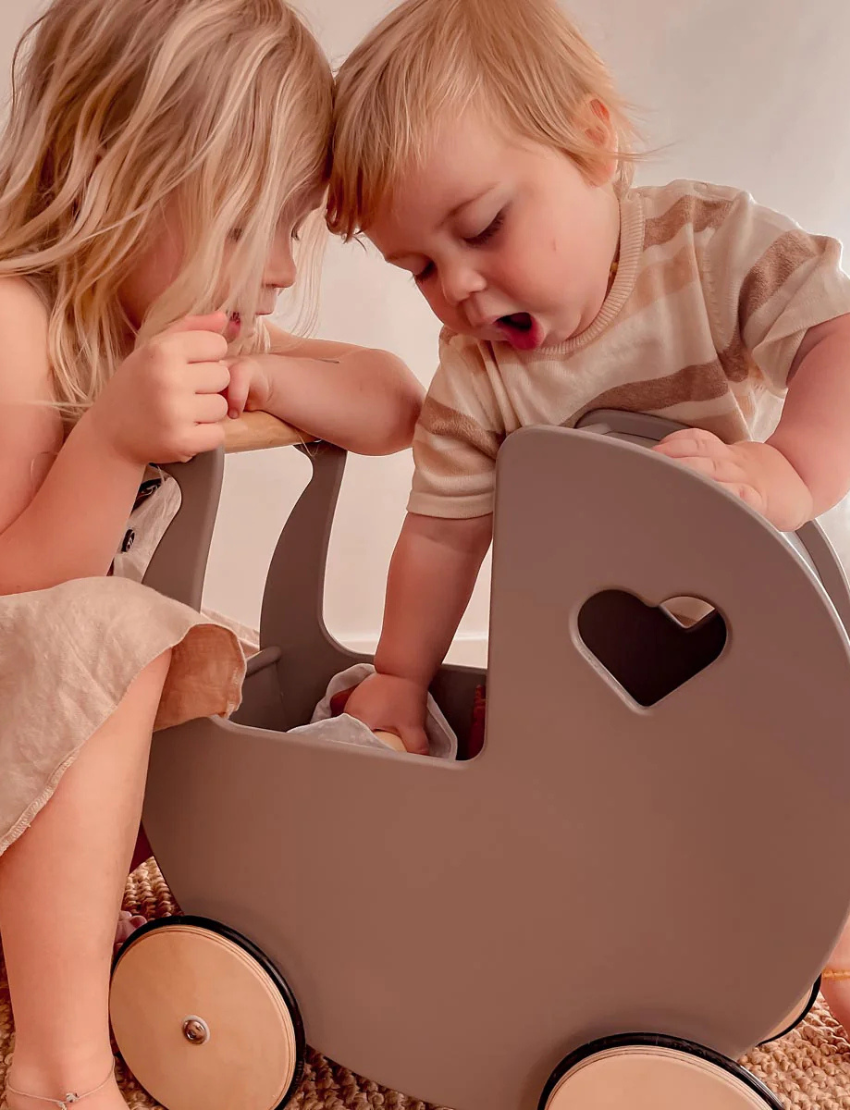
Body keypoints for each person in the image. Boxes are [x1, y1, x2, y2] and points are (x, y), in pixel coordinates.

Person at [326, 0, 850, 1030]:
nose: (461, 289)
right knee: (520, 807)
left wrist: (786, 467)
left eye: (480, 229)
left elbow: (834, 334)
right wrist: (398, 676)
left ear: (593, 139)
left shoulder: (707, 248)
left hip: (737, 652)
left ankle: (828, 951)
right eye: (420, 268)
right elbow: (439, 534)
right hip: (565, 680)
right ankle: (557, 954)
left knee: (804, 810)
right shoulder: (475, 377)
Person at [0, 1, 422, 1107]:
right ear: (117, 173)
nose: (283, 268)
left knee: (198, 667)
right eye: (254, 225)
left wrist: (272, 375)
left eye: (295, 226)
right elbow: (14, 593)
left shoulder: (189, 326)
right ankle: (57, 1069)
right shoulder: (16, 326)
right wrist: (106, 445)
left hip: (45, 749)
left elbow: (391, 400)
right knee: (121, 634)